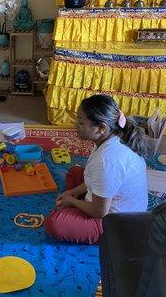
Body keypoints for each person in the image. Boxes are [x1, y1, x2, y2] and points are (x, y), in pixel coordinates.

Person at [44, 94, 149, 244]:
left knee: (54, 223)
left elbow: (100, 211)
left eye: (80, 122)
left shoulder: (107, 160)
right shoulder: (110, 137)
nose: (76, 125)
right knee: (75, 173)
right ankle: (79, 210)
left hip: (116, 223)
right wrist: (73, 192)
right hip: (107, 200)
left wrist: (72, 201)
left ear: (101, 128)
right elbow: (94, 177)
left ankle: (77, 213)